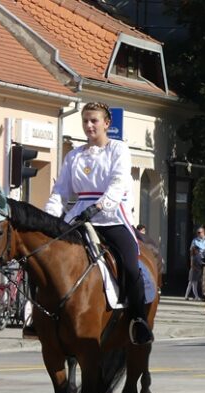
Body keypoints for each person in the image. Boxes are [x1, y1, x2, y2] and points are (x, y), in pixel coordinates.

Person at [44, 101, 153, 345]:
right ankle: (41, 317)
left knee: (129, 263)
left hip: (111, 216)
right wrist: (49, 217)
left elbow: (118, 183)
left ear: (106, 123)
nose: (89, 125)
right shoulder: (74, 156)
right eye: (85, 121)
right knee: (50, 260)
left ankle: (138, 319)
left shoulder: (118, 149)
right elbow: (61, 191)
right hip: (79, 216)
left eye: (94, 121)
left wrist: (100, 206)